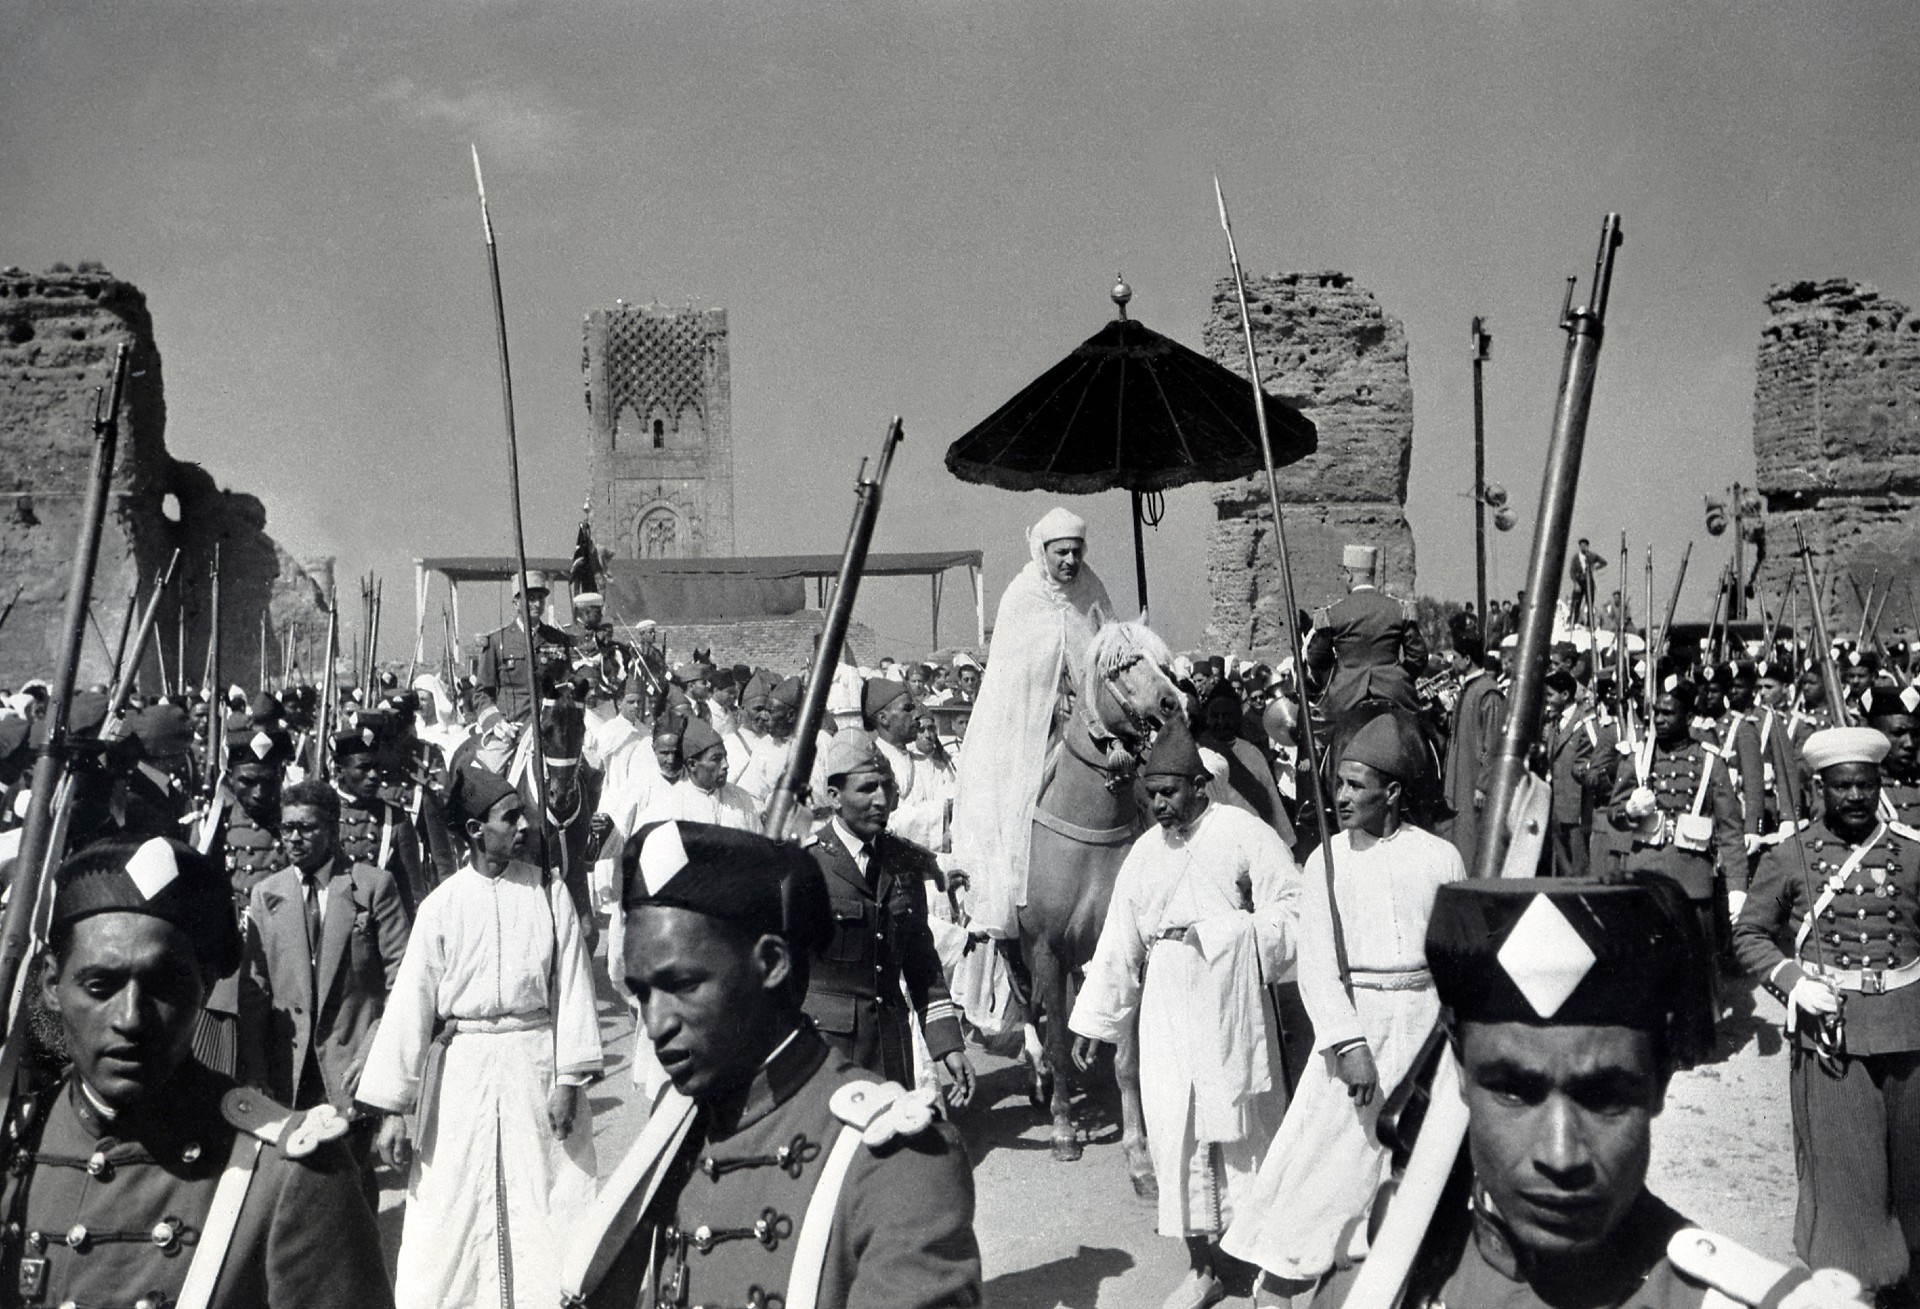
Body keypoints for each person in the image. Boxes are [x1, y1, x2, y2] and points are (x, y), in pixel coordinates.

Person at [1316, 877, 1867, 1308]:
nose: (1560, 1154)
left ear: (1660, 1082)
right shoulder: (1372, 1289)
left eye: (1604, 1097)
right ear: (1458, 1073)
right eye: (1514, 1091)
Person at [561, 819, 982, 1309]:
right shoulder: (677, 1126)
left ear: (771, 964)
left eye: (682, 985)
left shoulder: (897, 1159)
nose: (655, 1025)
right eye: (642, 994)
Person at [1, 835, 393, 1308]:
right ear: (50, 985)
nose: (130, 1017)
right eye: (100, 985)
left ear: (206, 988)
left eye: (165, 985)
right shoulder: (14, 1145)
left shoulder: (289, 1172)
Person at [1223, 712, 1466, 1294]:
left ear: (1394, 793)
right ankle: (1279, 1286)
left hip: (1428, 1032)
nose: (1341, 797)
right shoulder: (1324, 862)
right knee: (1324, 1171)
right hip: (1358, 1036)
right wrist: (1350, 1046)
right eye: (1338, 784)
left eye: (1357, 786)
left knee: (1417, 1173)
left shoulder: (1441, 858)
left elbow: (1458, 959)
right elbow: (1318, 973)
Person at [1070, 719, 1301, 1309]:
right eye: (1152, 795)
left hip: (1232, 1003)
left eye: (1169, 793)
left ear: (1200, 785)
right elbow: (1120, 939)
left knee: (1245, 1131)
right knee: (1177, 1130)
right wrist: (1095, 1024)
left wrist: (1232, 935)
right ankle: (1203, 1267)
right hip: (1168, 1006)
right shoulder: (1146, 852)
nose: (1159, 805)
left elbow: (1294, 909)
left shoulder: (1244, 833)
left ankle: (1261, 1270)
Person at [357, 762, 602, 1309]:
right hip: (463, 1072)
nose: (523, 827)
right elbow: (412, 1005)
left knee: (548, 1195)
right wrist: (393, 1109)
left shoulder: (548, 891)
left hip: (536, 1062)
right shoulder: (443, 904)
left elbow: (574, 987)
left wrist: (568, 1079)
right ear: (474, 830)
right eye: (510, 818)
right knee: (452, 1204)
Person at [1734, 726, 1920, 1297]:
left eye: (1866, 785)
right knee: (1846, 1172)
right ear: (1820, 789)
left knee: (1913, 1167)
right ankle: (1852, 1282)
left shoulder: (1912, 853)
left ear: (1879, 784)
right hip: (1832, 1033)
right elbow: (1749, 933)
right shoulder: (1792, 856)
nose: (1856, 797)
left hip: (1910, 1027)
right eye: (1843, 787)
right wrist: (1792, 983)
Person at [236, 780, 410, 1205]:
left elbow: (403, 981)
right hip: (289, 1068)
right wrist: (256, 1070)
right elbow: (255, 990)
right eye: (288, 827)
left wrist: (375, 1045)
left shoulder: (372, 887)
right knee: (294, 1185)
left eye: (307, 828)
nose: (294, 837)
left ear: (333, 830)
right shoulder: (267, 894)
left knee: (352, 1182)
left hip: (351, 1063)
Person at [951, 506, 1114, 939]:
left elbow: (1105, 652)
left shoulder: (1091, 590)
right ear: (1042, 551)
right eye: (1061, 552)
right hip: (1028, 730)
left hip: (1087, 723)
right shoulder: (1021, 596)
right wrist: (1050, 693)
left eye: (1077, 552)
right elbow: (1010, 678)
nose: (1070, 562)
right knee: (1011, 801)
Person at [806, 729, 976, 1100]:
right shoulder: (806, 867)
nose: (881, 800)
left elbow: (921, 964)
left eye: (885, 786)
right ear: (834, 797)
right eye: (867, 789)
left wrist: (948, 1045)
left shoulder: (902, 862)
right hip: (826, 1060)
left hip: (892, 1052)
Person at [1609, 679, 1745, 979]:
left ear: (1688, 717)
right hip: (1646, 875)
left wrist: (1737, 887)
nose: (1659, 719)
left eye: (1668, 713)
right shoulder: (1639, 756)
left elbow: (1730, 831)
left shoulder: (1711, 762)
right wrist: (1630, 811)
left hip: (1691, 882)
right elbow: (1614, 814)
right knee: (1645, 968)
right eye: (1656, 712)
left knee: (1694, 972)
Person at [1303, 544, 1423, 721]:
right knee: (1431, 735)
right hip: (1397, 693)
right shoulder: (1400, 609)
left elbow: (1316, 658)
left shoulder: (1331, 614)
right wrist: (1398, 675)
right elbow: (1418, 657)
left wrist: (1337, 675)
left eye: (1344, 574)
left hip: (1344, 697)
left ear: (1349, 574)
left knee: (1322, 742)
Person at [331, 711, 429, 916]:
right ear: (340, 771)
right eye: (364, 768)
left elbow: (413, 892)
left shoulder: (396, 820)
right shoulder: (323, 814)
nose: (373, 775)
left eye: (376, 767)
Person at [1439, 628, 1505, 867]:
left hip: (1473, 783)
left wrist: (1483, 786)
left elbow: (1493, 744)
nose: (1451, 662)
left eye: (1455, 657)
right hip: (1459, 779)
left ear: (1467, 660)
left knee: (1472, 841)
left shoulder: (1488, 692)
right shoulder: (1469, 688)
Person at [864, 676, 953, 852]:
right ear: (884, 718)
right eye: (908, 709)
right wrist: (943, 810)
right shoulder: (871, 763)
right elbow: (887, 822)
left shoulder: (923, 762)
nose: (916, 717)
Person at [477, 569, 575, 725]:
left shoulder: (558, 639)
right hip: (511, 725)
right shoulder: (496, 641)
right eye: (530, 598)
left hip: (550, 723)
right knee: (494, 750)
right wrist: (496, 723)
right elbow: (482, 693)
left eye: (541, 599)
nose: (537, 604)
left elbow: (568, 681)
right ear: (516, 603)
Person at [634, 714, 762, 831]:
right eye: (716, 759)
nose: (726, 765)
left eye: (725, 757)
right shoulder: (668, 806)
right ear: (692, 764)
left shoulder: (742, 799)